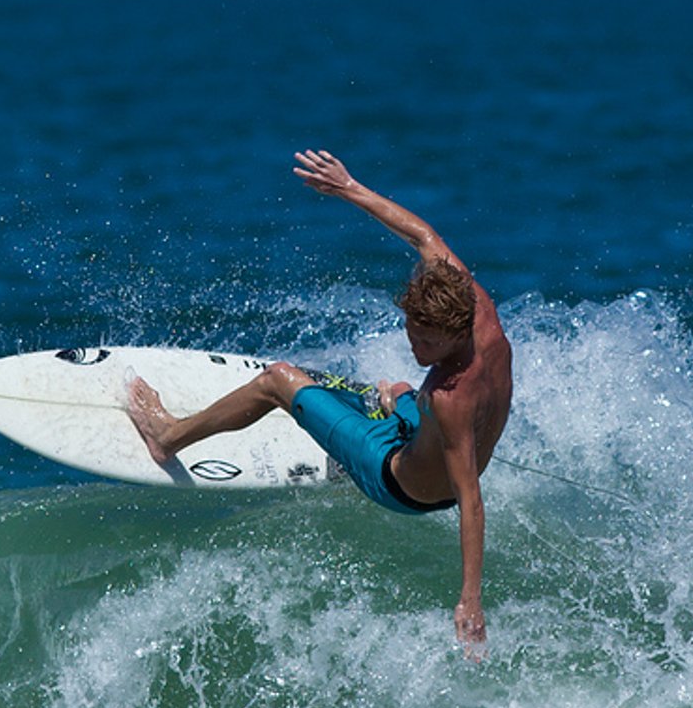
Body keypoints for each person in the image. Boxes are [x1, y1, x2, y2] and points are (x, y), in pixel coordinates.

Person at [127, 150, 512, 646]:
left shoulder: (449, 397)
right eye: (412, 334)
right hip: (427, 436)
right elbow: (424, 237)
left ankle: (168, 436)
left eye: (428, 343)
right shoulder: (478, 310)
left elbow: (471, 501)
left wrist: (470, 600)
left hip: (401, 482)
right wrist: (349, 187)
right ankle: (381, 417)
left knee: (280, 379)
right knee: (395, 390)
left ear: (455, 331)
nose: (415, 347)